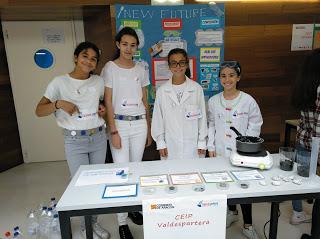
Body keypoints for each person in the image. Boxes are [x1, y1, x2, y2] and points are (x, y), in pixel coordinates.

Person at [35, 42, 110, 239]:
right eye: (85, 56)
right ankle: (85, 224)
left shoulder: (98, 82)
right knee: (80, 185)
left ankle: (93, 223)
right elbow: (39, 110)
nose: (89, 61)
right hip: (75, 141)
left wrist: (102, 108)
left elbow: (101, 103)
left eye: (94, 59)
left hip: (99, 138)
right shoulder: (59, 82)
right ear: (76, 57)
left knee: (97, 184)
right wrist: (58, 103)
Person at [101, 26, 152, 239]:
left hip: (139, 124)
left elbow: (145, 101)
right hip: (119, 125)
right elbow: (108, 102)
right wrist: (113, 131)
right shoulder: (110, 68)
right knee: (121, 174)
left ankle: (133, 208)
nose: (128, 49)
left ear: (136, 47)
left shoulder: (141, 69)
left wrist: (148, 129)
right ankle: (122, 222)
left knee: (136, 170)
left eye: (132, 45)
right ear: (117, 44)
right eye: (125, 44)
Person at [207, 60, 263, 239]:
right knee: (224, 183)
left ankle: (248, 224)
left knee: (243, 186)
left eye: (231, 75)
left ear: (238, 77)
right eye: (223, 76)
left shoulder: (248, 101)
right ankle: (232, 212)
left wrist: (247, 144)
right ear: (219, 79)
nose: (227, 79)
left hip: (242, 152)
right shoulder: (214, 101)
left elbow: (256, 123)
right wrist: (210, 146)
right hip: (220, 150)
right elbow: (211, 124)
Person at [151, 48, 207, 160]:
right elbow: (158, 119)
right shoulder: (162, 91)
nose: (178, 66)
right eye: (174, 63)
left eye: (182, 62)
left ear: (187, 64)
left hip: (193, 145)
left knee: (194, 174)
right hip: (170, 145)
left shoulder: (196, 89)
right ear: (169, 66)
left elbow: (202, 118)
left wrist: (202, 141)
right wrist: (160, 142)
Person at [291, 48, 320, 238]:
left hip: (303, 141)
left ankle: (297, 212)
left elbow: (304, 122)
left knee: (297, 182)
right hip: (316, 146)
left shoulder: (303, 85)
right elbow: (319, 127)